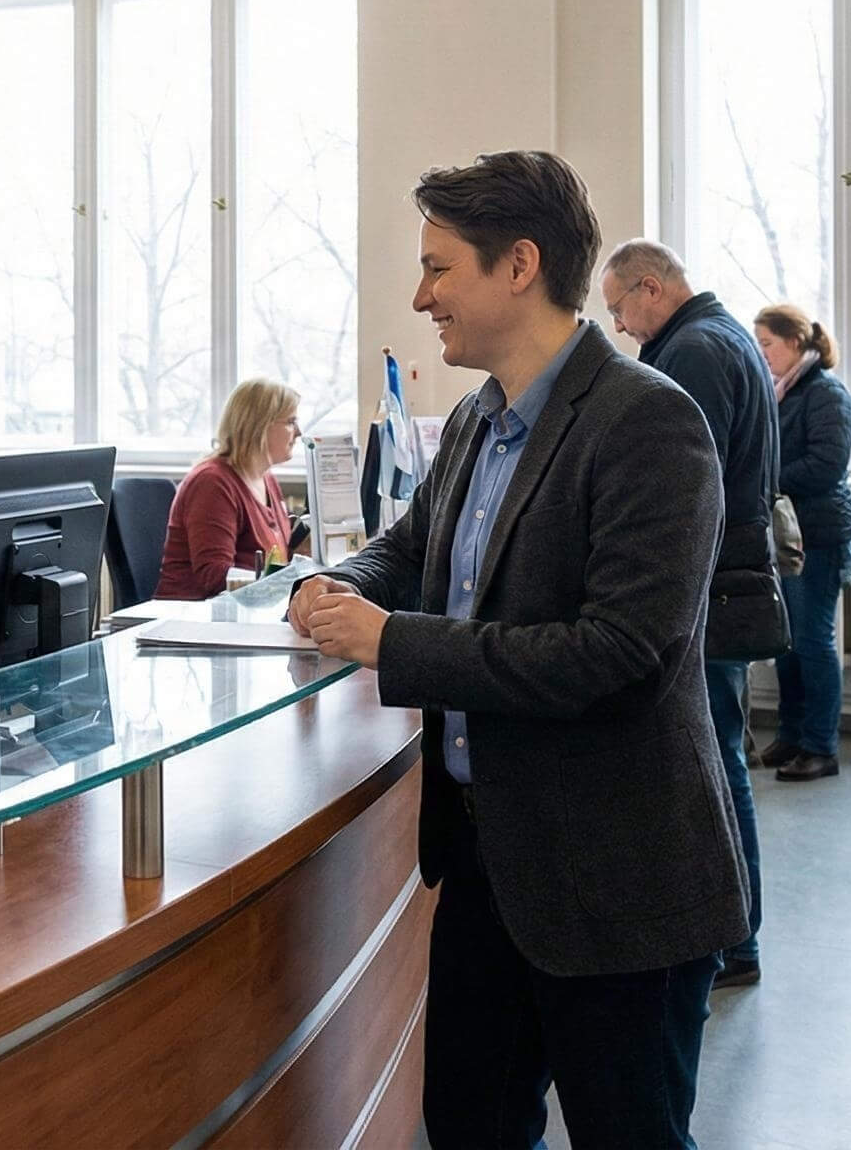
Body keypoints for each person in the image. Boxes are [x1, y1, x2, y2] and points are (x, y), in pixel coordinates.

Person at [290, 151, 747, 1150]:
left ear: (520, 265)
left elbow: (617, 655)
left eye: (438, 268)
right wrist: (333, 586)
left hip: (615, 880)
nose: (421, 298)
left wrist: (392, 642)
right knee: (470, 1126)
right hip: (485, 863)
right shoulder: (475, 416)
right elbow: (409, 549)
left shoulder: (648, 422)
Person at [599, 239, 776, 988]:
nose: (619, 327)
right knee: (722, 756)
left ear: (650, 287)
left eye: (618, 309)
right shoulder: (724, 335)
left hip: (711, 584)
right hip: (732, 575)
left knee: (713, 764)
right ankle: (735, 934)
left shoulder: (695, 353)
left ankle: (734, 940)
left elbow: (676, 485)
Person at [754, 304, 851, 784]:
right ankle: (792, 736)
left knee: (813, 642)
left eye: (767, 343)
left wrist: (765, 479)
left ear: (795, 342)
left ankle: (820, 747)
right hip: (791, 536)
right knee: (787, 642)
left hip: (820, 535)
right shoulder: (785, 391)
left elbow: (825, 466)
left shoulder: (826, 394)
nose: (761, 353)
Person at [158, 378, 301, 599]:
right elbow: (215, 576)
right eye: (291, 422)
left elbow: (277, 560)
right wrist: (283, 583)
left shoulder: (266, 479)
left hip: (249, 608)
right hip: (197, 611)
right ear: (260, 425)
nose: (298, 432)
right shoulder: (212, 483)